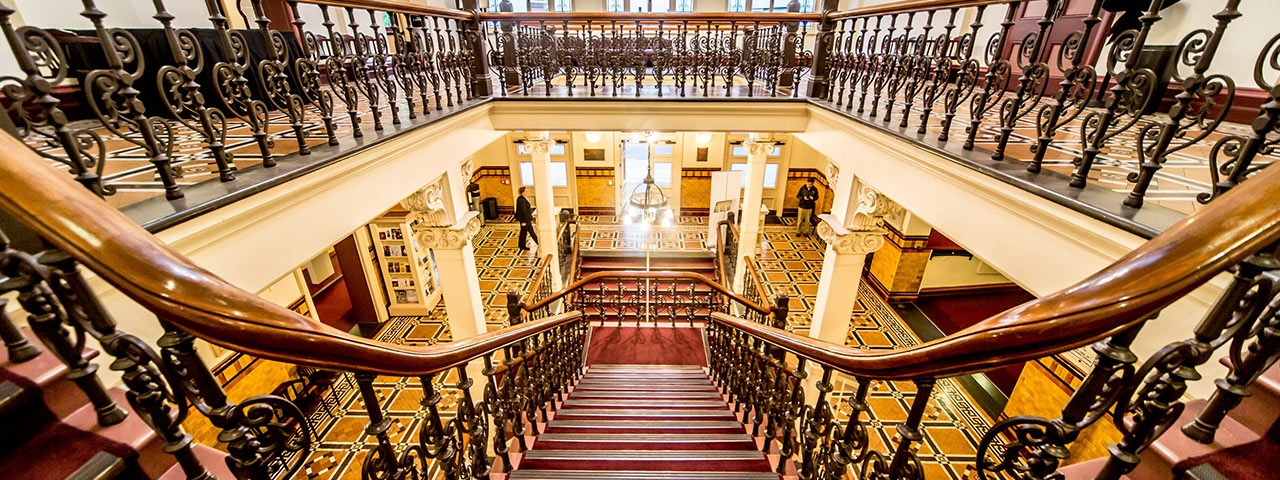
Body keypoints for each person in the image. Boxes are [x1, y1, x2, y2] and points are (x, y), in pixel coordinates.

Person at [516, 186, 538, 252]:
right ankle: (522, 246)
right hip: (525, 220)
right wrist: (524, 221)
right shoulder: (521, 200)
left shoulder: (521, 198)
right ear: (523, 192)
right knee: (525, 233)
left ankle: (522, 245)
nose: (527, 192)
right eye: (526, 191)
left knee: (529, 232)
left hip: (526, 219)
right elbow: (523, 211)